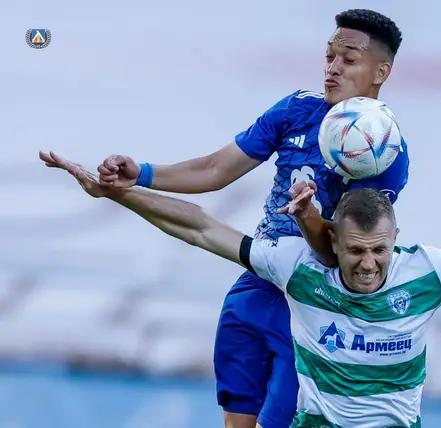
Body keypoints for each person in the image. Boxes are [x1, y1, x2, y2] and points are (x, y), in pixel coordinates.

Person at [39, 151, 441, 428]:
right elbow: (202, 227)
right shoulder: (298, 269)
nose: (368, 265)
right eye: (355, 251)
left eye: (379, 251)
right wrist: (121, 192)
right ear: (334, 240)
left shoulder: (429, 272)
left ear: (396, 240)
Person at [91, 9, 408, 428]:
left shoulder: (384, 153)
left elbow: (341, 253)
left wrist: (307, 215)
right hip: (254, 289)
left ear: (381, 71)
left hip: (312, 313)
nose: (332, 68)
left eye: (348, 60)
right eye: (329, 56)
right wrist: (143, 174)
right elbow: (215, 169)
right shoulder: (296, 109)